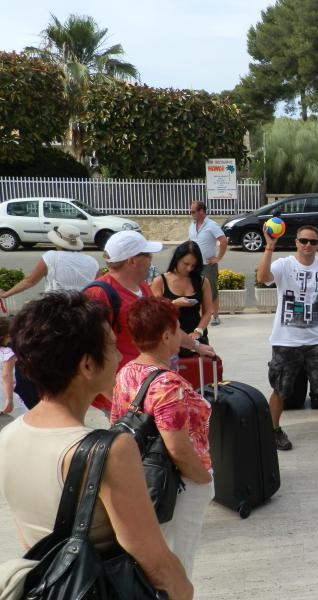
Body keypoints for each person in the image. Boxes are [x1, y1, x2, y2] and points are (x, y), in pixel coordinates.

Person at [0, 292, 193, 600]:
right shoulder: (110, 451)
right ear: (88, 365)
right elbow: (156, 562)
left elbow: (32, 539)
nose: (119, 357)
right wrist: (184, 590)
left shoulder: (9, 436)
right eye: (112, 347)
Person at [111, 297, 213, 576]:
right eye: (178, 329)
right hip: (179, 481)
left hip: (143, 475)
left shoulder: (126, 372)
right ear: (166, 336)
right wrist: (204, 480)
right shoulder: (168, 384)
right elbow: (177, 448)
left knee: (154, 556)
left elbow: (117, 421)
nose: (181, 335)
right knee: (178, 561)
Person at [84, 231, 215, 412]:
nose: (151, 259)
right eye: (147, 255)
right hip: (124, 397)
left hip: (148, 389)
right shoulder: (98, 294)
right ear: (132, 260)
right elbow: (91, 354)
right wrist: (121, 403)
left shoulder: (143, 288)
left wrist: (196, 345)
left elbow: (165, 326)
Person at [256, 225, 318, 452]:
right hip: (285, 341)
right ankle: (273, 431)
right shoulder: (284, 264)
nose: (308, 245)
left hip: (315, 341)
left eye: (313, 241)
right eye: (303, 240)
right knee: (280, 390)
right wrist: (269, 247)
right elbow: (263, 278)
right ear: (296, 242)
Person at [0, 224, 100, 301]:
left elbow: (30, 281)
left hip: (55, 308)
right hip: (84, 308)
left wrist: (5, 294)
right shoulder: (92, 261)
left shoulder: (51, 257)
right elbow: (97, 287)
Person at [151, 241, 214, 356]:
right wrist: (174, 304)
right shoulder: (160, 281)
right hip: (169, 338)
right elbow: (155, 313)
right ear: (177, 259)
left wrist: (199, 331)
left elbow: (208, 311)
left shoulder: (203, 282)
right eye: (186, 263)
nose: (189, 268)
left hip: (196, 336)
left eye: (193, 266)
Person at [188, 201, 227, 326]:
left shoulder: (212, 225)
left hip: (208, 265)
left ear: (201, 211)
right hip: (194, 265)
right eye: (191, 211)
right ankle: (201, 315)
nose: (191, 214)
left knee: (212, 291)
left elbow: (223, 241)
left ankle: (215, 316)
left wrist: (218, 258)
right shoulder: (192, 225)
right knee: (195, 290)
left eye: (193, 211)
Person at [0, 316, 23, 415]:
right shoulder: (7, 353)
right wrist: (9, 399)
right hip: (3, 394)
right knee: (27, 417)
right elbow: (6, 375)